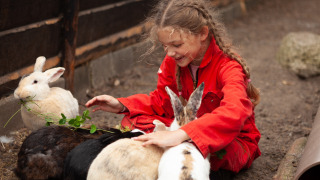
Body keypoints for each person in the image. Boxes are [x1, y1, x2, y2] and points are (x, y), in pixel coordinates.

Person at [85, 0, 261, 179]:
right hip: (185, 129)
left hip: (228, 139)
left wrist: (183, 134)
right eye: (165, 46)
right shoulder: (174, 61)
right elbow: (161, 101)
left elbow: (235, 112)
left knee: (201, 151)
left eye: (176, 45)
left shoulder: (228, 67)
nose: (169, 53)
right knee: (131, 120)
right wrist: (121, 104)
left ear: (202, 33)